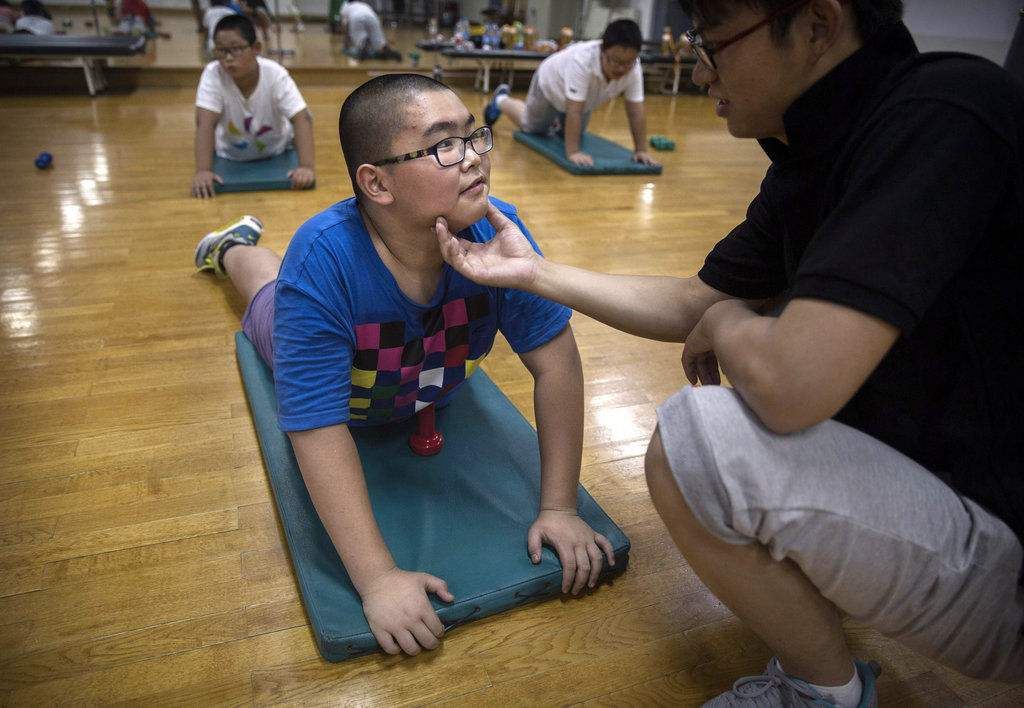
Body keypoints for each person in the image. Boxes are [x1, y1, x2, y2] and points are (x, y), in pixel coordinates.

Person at [437, 0, 1024, 704]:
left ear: (816, 25)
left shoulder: (944, 112)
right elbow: (693, 300)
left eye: (715, 44)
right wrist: (531, 270)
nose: (699, 68)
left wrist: (729, 324)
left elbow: (785, 379)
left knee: (700, 439)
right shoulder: (812, 153)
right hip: (938, 487)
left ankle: (822, 692)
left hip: (1004, 555)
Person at [193, 73, 616, 656]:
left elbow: (559, 364)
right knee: (263, 289)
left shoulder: (500, 232)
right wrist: (377, 579)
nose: (472, 159)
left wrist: (560, 507)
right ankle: (230, 245)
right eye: (444, 145)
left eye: (474, 137)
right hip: (329, 348)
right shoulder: (321, 264)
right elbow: (316, 427)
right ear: (377, 182)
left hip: (423, 378)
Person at [484, 19, 659, 168]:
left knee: (570, 133)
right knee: (532, 127)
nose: (622, 68)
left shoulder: (633, 68)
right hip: (550, 85)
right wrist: (573, 152)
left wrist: (641, 150)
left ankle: (554, 122)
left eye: (628, 62)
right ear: (602, 50)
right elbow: (574, 111)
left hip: (582, 100)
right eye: (616, 61)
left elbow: (636, 112)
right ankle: (501, 99)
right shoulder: (582, 60)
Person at [191, 14, 314, 198]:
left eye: (236, 49)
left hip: (276, 149)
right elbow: (204, 123)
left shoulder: (275, 74)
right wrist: (203, 170)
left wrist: (306, 167)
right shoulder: (213, 74)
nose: (228, 58)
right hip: (230, 153)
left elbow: (301, 118)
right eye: (221, 51)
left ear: (256, 48)